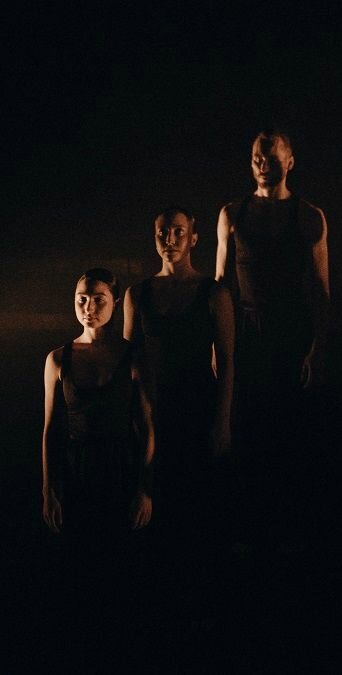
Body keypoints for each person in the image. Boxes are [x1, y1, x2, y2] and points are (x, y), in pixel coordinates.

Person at [214, 128, 330, 554]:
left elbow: (321, 289)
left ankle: (292, 539)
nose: (263, 166)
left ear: (290, 162)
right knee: (247, 432)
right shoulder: (232, 214)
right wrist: (217, 343)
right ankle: (249, 537)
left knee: (291, 436)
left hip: (292, 335)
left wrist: (319, 347)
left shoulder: (309, 216)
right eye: (257, 159)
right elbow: (221, 286)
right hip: (247, 334)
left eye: (272, 159)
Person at [123, 206, 235, 627]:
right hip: (155, 411)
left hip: (198, 407)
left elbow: (227, 362)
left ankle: (203, 610)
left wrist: (222, 421)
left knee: (199, 508)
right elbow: (130, 360)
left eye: (177, 232)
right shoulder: (138, 294)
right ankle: (160, 611)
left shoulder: (213, 294)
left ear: (193, 238)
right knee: (157, 506)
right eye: (162, 232)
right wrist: (135, 416)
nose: (169, 239)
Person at [41, 268, 155, 647]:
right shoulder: (58, 359)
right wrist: (49, 489)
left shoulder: (132, 356)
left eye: (98, 300)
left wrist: (144, 488)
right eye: (82, 300)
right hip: (77, 469)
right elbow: (51, 430)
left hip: (120, 467)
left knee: (121, 564)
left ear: (115, 302)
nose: (89, 307)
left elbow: (147, 427)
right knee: (80, 564)